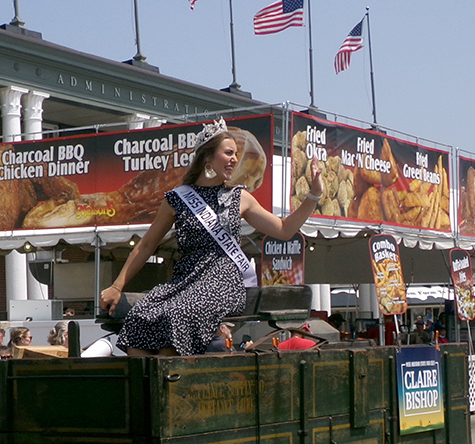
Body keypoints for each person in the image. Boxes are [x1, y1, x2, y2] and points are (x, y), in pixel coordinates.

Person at [100, 118, 324, 356]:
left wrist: (314, 194)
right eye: (228, 153)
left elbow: (284, 230)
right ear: (207, 157)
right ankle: (148, 387)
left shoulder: (240, 197)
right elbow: (145, 246)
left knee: (178, 315)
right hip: (185, 280)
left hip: (222, 282)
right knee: (141, 315)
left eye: (236, 154)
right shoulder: (177, 199)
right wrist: (117, 286)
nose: (235, 159)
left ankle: (170, 382)